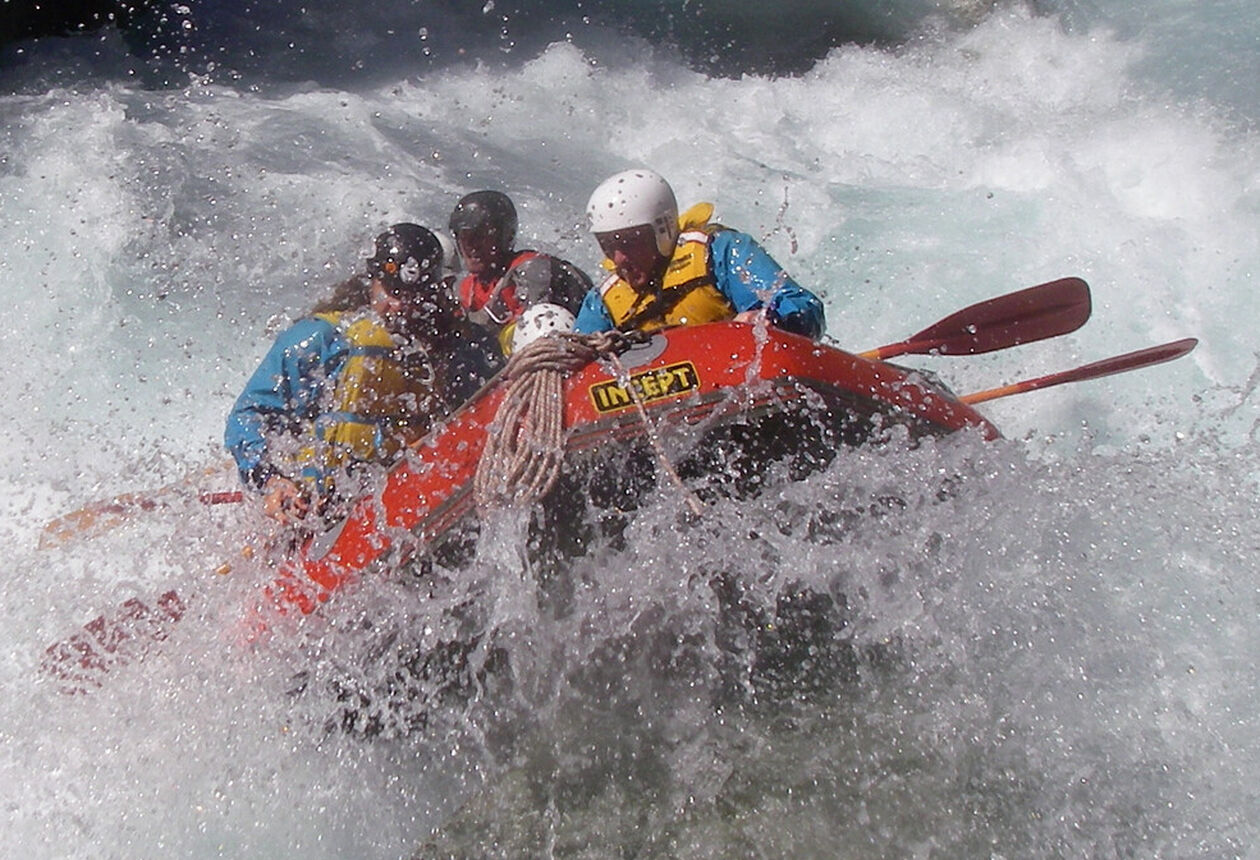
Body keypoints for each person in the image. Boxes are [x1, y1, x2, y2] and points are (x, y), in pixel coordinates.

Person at [225, 223, 500, 525]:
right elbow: (250, 413)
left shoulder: (461, 346)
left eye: (415, 295)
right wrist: (271, 480)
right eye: (393, 293)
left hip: (410, 492)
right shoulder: (322, 337)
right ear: (373, 284)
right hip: (322, 501)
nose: (401, 307)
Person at [573, 168, 826, 339]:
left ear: (662, 230)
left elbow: (803, 308)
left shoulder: (719, 253)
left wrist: (768, 319)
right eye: (608, 245)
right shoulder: (602, 302)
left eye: (630, 242)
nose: (619, 259)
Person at [448, 189, 593, 354]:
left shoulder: (532, 270)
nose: (472, 246)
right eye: (465, 237)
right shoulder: (468, 287)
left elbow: (543, 333)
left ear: (506, 236)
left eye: (480, 236)